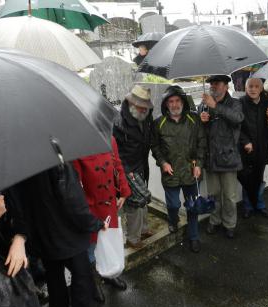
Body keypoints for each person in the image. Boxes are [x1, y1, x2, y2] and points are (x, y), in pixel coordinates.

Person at [17, 164, 108, 307]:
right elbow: (72, 200)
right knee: (82, 275)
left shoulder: (19, 162)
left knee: (54, 277)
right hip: (66, 233)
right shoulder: (54, 158)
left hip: (41, 233)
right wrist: (95, 223)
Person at [151, 85, 207, 252]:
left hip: (191, 171)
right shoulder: (158, 123)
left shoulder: (194, 119)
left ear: (182, 102)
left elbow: (201, 143)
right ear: (166, 104)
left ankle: (194, 236)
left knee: (192, 207)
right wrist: (163, 163)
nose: (174, 105)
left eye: (177, 100)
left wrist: (199, 164)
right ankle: (173, 220)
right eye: (171, 101)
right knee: (174, 205)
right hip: (171, 173)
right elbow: (154, 146)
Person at [73, 137, 132, 294]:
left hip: (109, 202)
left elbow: (117, 165)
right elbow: (74, 184)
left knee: (109, 240)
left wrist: (124, 191)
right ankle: (94, 281)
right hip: (90, 206)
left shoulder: (109, 138)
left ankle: (109, 273)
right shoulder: (74, 145)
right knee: (91, 247)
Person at [199, 75, 244, 239]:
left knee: (230, 196)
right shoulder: (205, 102)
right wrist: (202, 118)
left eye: (216, 84)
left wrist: (215, 106)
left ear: (226, 86)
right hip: (211, 157)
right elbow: (200, 124)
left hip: (228, 158)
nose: (213, 86)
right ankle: (215, 220)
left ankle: (229, 223)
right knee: (213, 194)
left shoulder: (235, 103)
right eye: (211, 83)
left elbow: (238, 119)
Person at [114, 85, 154, 249]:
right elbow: (115, 153)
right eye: (140, 105)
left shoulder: (146, 116)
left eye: (145, 106)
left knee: (143, 201)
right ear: (130, 103)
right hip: (127, 168)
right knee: (134, 205)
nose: (143, 109)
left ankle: (143, 230)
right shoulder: (119, 123)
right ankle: (132, 238)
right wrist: (126, 174)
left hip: (141, 165)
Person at [239, 78, 268, 219]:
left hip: (262, 149)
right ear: (246, 88)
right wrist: (245, 141)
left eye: (256, 86)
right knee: (247, 178)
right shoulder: (240, 103)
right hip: (247, 150)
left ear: (261, 89)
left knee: (259, 178)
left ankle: (259, 204)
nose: (253, 89)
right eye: (250, 86)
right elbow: (237, 126)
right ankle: (248, 206)